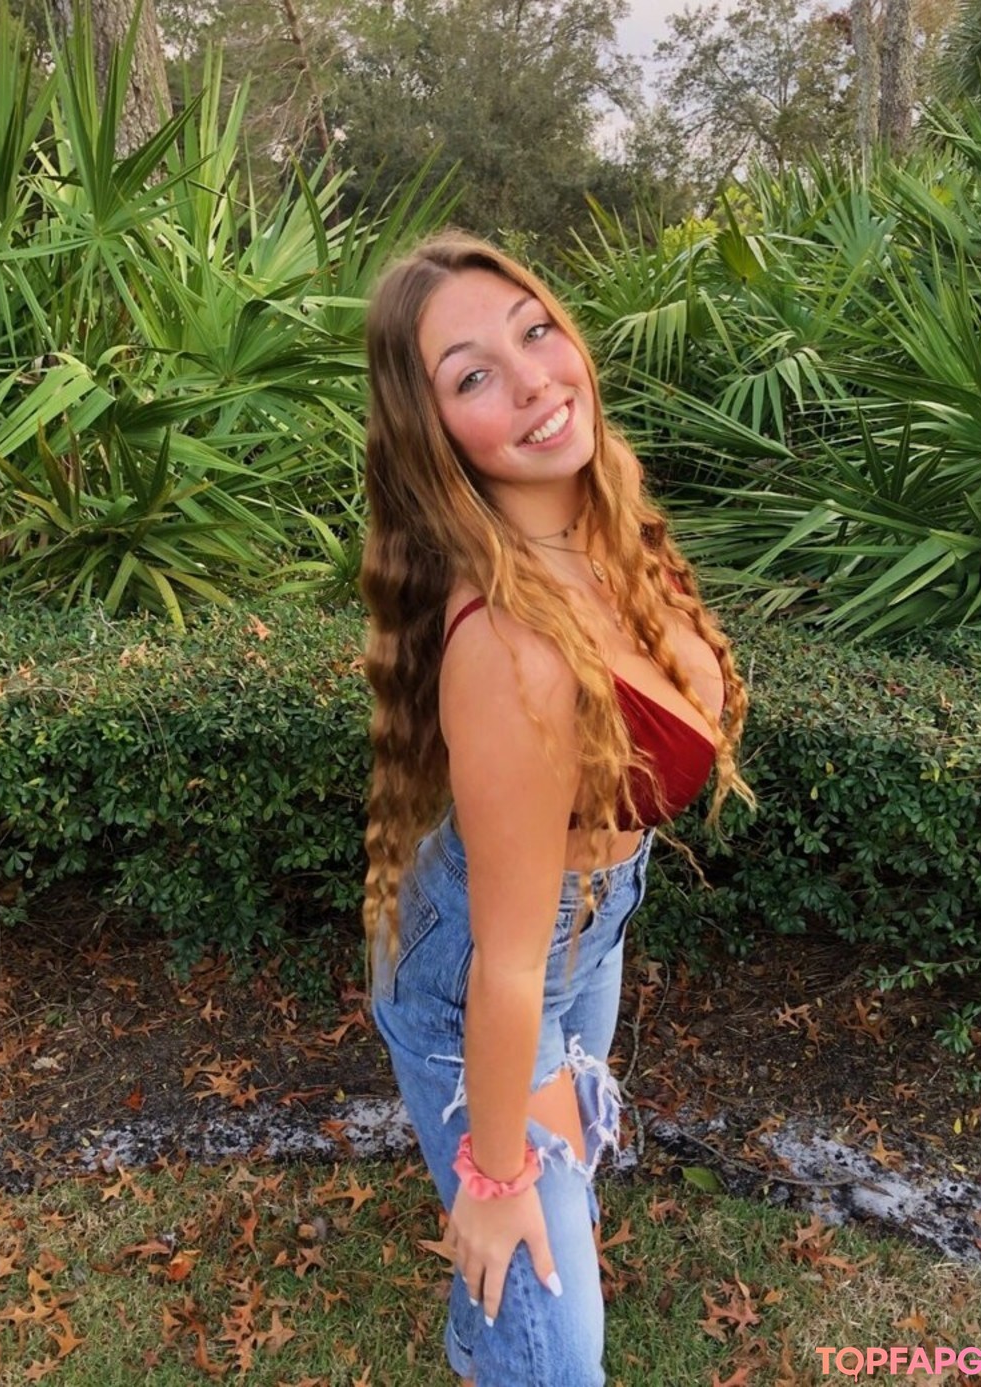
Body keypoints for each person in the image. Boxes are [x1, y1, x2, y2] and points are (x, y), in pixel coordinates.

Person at [360, 230, 753, 1386]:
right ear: (434, 434)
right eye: (473, 375)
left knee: (533, 1272)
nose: (534, 379)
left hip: (590, 927)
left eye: (535, 331)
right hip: (487, 976)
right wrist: (490, 1179)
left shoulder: (605, 521)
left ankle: (480, 1342)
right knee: (557, 1342)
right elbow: (508, 965)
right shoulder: (510, 650)